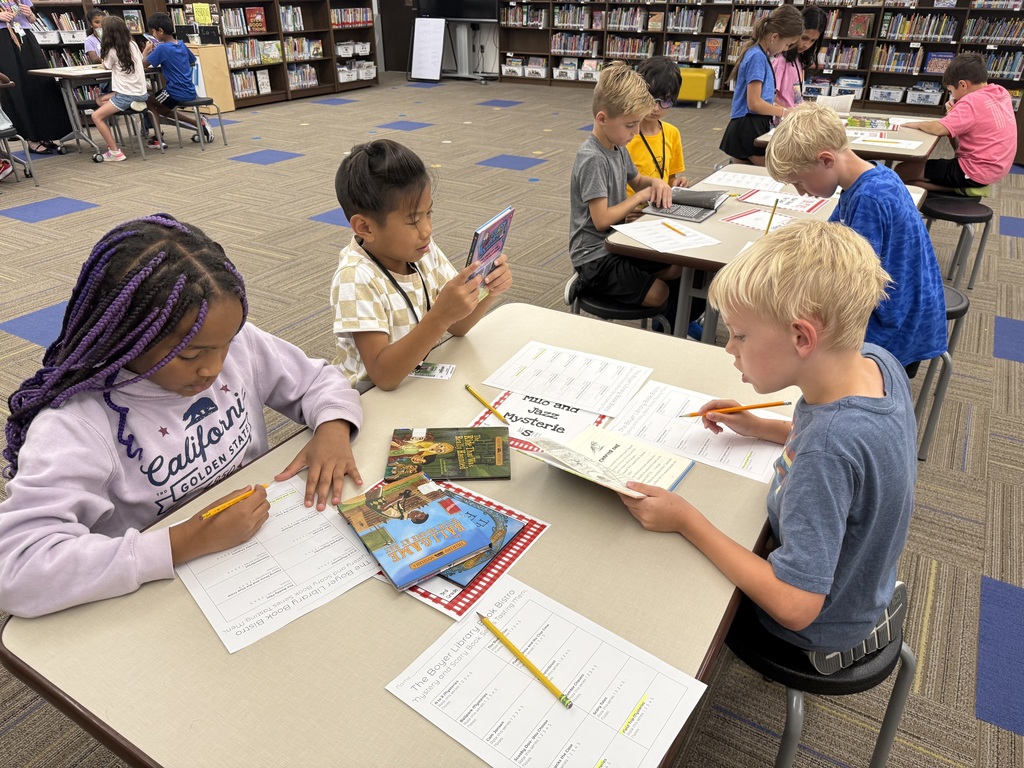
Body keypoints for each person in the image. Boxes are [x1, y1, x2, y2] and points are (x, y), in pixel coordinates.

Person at [0, 214, 364, 618]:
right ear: (126, 336)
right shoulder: (76, 423)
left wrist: (333, 427)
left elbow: (319, 379)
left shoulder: (231, 343)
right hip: (158, 593)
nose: (213, 369)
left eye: (224, 346)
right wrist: (184, 541)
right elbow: (17, 569)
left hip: (264, 551)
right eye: (189, 355)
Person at [619, 220, 916, 675]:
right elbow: (852, 449)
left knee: (659, 595)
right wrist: (761, 425)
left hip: (814, 627)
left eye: (739, 335)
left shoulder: (826, 451)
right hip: (859, 577)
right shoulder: (876, 362)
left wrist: (686, 519)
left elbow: (796, 606)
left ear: (801, 337)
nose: (729, 349)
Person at [766, 102, 946, 374]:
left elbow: (850, 284)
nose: (801, 192)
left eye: (800, 182)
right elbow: (833, 235)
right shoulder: (873, 177)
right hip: (905, 311)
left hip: (896, 326)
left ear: (826, 160)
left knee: (798, 339)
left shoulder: (868, 199)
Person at [331, 138, 513, 390]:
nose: (427, 230)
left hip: (417, 385)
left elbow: (458, 325)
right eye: (413, 220)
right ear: (365, 227)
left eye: (429, 213)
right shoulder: (355, 277)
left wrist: (488, 289)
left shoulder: (422, 251)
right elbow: (383, 376)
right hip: (368, 401)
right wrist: (440, 317)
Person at [568, 60, 679, 314]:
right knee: (660, 292)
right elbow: (601, 220)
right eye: (630, 125)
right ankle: (585, 284)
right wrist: (639, 196)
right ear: (602, 118)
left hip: (615, 242)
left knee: (674, 267)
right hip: (593, 256)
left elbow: (637, 179)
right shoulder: (593, 158)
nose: (635, 132)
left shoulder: (617, 147)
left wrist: (657, 182)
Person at [895, 52, 1016, 194]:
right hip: (996, 168)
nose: (952, 96)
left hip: (974, 171)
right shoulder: (1000, 92)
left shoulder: (971, 102)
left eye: (951, 91)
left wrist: (917, 124)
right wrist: (955, 111)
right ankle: (959, 187)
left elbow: (939, 129)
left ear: (963, 84)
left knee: (900, 171)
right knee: (915, 181)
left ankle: (961, 190)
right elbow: (959, 138)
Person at [719, 4, 803, 165]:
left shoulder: (760, 55)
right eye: (787, 44)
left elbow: (765, 98)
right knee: (774, 172)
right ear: (774, 37)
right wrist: (784, 112)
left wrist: (790, 110)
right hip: (748, 125)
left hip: (751, 124)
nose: (785, 49)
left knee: (746, 175)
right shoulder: (757, 57)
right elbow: (754, 103)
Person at [0, 0, 71, 154]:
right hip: (4, 38)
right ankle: (31, 138)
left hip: (25, 36)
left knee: (40, 81)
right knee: (18, 85)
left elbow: (31, 19)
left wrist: (30, 14)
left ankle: (47, 133)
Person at [141, 12, 212, 148]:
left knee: (149, 102)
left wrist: (146, 50)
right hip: (189, 89)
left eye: (153, 32)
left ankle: (158, 138)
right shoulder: (181, 44)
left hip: (175, 90)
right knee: (162, 109)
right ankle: (198, 124)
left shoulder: (162, 48)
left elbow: (143, 65)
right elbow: (192, 61)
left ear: (160, 31)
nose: (153, 35)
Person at [626, 56, 688, 195]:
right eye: (651, 98)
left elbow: (669, 178)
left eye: (665, 101)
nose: (656, 108)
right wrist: (627, 208)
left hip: (659, 208)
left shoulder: (672, 133)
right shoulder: (624, 136)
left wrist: (675, 183)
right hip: (629, 212)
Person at [92, 14, 149, 162]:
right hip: (141, 93)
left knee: (96, 116)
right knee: (101, 100)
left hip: (126, 95)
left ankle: (114, 151)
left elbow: (106, 65)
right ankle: (119, 113)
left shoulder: (112, 51)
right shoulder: (133, 45)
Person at [772, 5, 828, 111]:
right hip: (781, 122)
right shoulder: (781, 61)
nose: (806, 45)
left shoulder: (798, 59)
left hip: (793, 120)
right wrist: (788, 112)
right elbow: (769, 99)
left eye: (812, 41)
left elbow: (794, 98)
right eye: (804, 38)